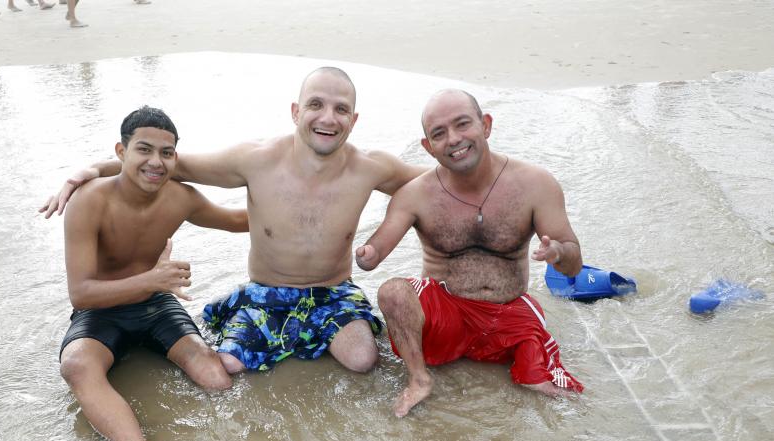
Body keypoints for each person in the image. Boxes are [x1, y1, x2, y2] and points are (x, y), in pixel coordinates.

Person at [41, 67, 425, 375]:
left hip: (333, 292)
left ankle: (318, 337)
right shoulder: (254, 159)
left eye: (341, 109)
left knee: (363, 361)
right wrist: (91, 168)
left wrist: (387, 233)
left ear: (354, 119)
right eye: (316, 105)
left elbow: (431, 185)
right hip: (266, 292)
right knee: (228, 365)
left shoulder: (372, 167)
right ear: (296, 112)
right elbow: (170, 164)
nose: (328, 118)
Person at [58, 106, 247, 441]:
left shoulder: (181, 198)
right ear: (121, 151)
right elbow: (81, 294)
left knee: (216, 379)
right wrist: (151, 280)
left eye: (167, 153)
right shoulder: (88, 201)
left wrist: (304, 199)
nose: (156, 162)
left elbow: (236, 220)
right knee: (76, 365)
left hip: (156, 305)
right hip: (103, 311)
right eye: (144, 149)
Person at [355, 89, 585, 417]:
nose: (453, 139)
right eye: (439, 133)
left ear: (486, 125)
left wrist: (559, 251)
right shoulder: (415, 194)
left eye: (463, 124)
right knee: (392, 292)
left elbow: (573, 265)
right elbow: (376, 250)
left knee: (548, 386)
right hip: (447, 315)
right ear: (428, 147)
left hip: (507, 311)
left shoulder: (535, 184)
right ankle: (419, 379)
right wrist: (366, 254)